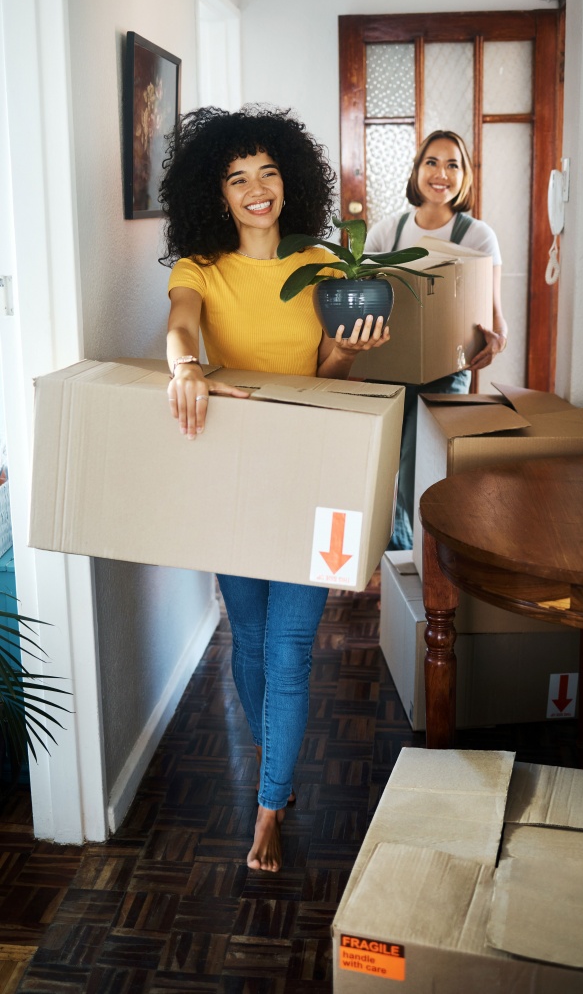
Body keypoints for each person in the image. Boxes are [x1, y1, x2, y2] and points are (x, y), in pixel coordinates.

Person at [159, 105, 389, 872]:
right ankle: (274, 761)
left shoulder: (324, 266)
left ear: (289, 180)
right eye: (236, 177)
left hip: (312, 478)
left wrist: (351, 352)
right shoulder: (200, 266)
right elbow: (181, 326)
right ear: (215, 193)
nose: (256, 188)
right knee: (249, 641)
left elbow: (328, 379)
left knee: (291, 650)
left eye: (267, 172)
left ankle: (268, 809)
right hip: (232, 482)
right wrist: (184, 367)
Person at [365, 129, 508, 550]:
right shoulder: (386, 234)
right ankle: (394, 561)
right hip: (387, 369)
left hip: (447, 374)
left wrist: (495, 343)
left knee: (420, 472)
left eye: (453, 164)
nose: (441, 173)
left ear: (464, 176)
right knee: (383, 465)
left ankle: (417, 564)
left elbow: (497, 320)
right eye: (432, 162)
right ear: (417, 170)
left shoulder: (477, 236)